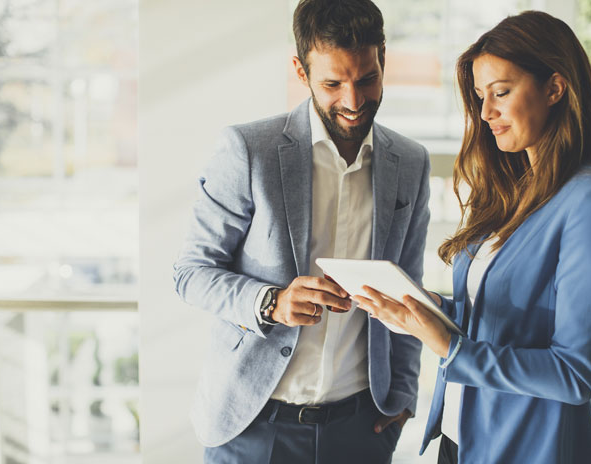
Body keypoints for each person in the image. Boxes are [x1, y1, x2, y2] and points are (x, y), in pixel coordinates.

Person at [353, 10, 591, 464]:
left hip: (528, 449)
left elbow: (574, 373)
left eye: (501, 93)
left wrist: (449, 346)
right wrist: (421, 311)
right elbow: (500, 322)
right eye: (480, 96)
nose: (486, 112)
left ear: (554, 87)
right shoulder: (515, 193)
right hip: (462, 439)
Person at [173, 0, 431, 462]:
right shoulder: (249, 150)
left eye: (367, 79)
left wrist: (404, 396)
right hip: (254, 427)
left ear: (383, 59)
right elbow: (191, 272)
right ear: (300, 69)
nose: (353, 102)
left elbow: (409, 290)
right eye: (333, 83)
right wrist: (271, 302)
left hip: (361, 429)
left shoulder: (410, 163)